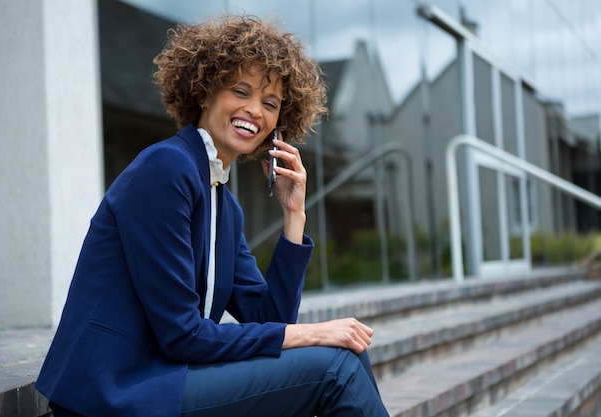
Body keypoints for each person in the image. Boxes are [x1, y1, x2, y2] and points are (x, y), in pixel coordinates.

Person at [36, 14, 390, 417]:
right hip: (118, 391)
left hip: (170, 377)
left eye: (270, 103)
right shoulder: (166, 169)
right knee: (336, 368)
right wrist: (310, 332)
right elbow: (182, 336)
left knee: (344, 354)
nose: (255, 110)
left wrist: (294, 217)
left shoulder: (223, 202)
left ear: (279, 125)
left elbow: (268, 318)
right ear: (204, 92)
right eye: (240, 91)